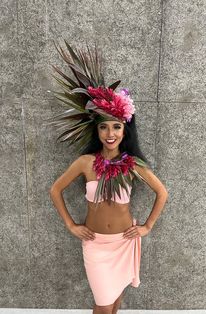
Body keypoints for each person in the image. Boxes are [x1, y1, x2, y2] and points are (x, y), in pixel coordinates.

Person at [48, 40, 168, 314]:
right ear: (97, 131)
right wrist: (71, 225)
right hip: (95, 245)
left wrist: (147, 226)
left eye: (116, 127)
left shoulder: (133, 164)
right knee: (102, 304)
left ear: (125, 131)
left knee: (114, 302)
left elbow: (162, 193)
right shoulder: (85, 162)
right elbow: (55, 190)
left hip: (125, 242)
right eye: (104, 127)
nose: (110, 133)